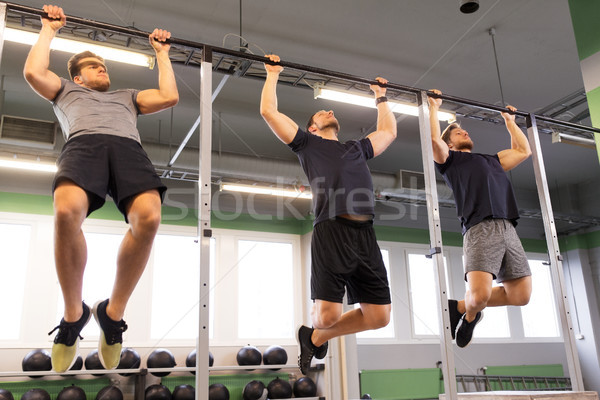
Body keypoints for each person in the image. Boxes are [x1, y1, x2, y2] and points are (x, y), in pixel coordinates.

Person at [23, 5, 178, 372]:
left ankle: (112, 314)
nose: (101, 69)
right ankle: (74, 315)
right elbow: (33, 71)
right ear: (77, 77)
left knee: (149, 219)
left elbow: (169, 96)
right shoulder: (63, 90)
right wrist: (49, 30)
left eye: (103, 66)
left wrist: (162, 54)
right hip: (84, 145)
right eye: (93, 66)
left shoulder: (129, 96)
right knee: (65, 212)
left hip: (128, 149)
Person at [260, 54, 396, 374]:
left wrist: (381, 97)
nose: (330, 110)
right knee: (327, 316)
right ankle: (318, 329)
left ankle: (315, 338)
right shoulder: (307, 144)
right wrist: (272, 73)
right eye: (323, 111)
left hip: (365, 233)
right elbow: (269, 111)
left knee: (380, 317)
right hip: (331, 230)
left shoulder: (357, 148)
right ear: (312, 126)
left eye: (330, 110)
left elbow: (388, 132)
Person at [427, 89, 532, 348]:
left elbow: (523, 150)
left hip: (508, 227)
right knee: (481, 294)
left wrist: (510, 122)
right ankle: (472, 312)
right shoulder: (450, 161)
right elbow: (432, 140)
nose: (465, 132)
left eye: (465, 131)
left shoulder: (493, 160)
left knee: (521, 295)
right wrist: (433, 107)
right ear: (449, 144)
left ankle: (461, 308)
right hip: (480, 227)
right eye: (457, 132)